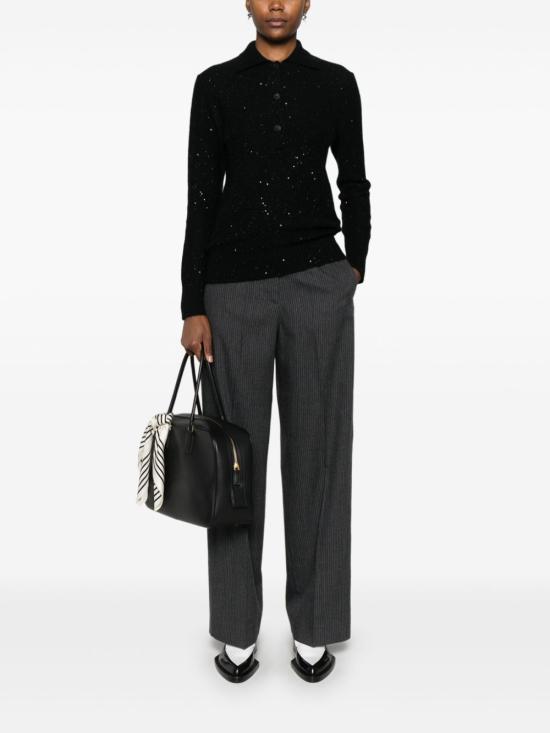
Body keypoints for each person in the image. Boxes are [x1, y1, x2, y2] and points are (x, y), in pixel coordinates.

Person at [180, 0, 371, 683]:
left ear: (308, 1)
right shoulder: (216, 86)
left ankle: (314, 626)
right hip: (232, 292)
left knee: (320, 454)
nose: (277, 4)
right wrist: (192, 302)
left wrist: (355, 264)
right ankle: (238, 629)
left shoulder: (336, 83)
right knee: (233, 461)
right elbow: (201, 195)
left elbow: (353, 179)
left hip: (318, 283)